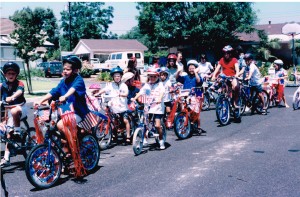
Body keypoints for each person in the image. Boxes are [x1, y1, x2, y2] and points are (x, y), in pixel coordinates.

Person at [35, 55, 94, 177]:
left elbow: (72, 90)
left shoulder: (78, 80)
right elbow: (53, 91)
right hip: (66, 111)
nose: (64, 71)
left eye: (68, 69)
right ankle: (65, 151)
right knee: (53, 127)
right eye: (64, 69)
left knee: (62, 125)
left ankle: (74, 154)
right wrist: (40, 100)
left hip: (79, 112)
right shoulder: (63, 81)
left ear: (75, 70)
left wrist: (65, 96)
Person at [131, 67, 166, 150]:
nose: (152, 78)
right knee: (145, 123)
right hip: (148, 107)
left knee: (157, 125)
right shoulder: (147, 85)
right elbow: (141, 92)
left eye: (154, 76)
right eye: (151, 76)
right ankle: (145, 138)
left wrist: (159, 99)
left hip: (157, 107)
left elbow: (162, 92)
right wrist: (135, 98)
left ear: (157, 77)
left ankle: (161, 140)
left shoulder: (160, 84)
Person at [95, 66, 131, 143]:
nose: (117, 77)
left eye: (118, 76)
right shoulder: (111, 85)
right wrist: (98, 93)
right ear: (113, 77)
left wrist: (122, 94)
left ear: (121, 76)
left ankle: (128, 135)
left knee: (125, 120)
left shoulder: (123, 85)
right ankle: (114, 135)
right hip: (114, 107)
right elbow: (104, 89)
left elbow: (126, 93)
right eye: (115, 76)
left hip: (122, 107)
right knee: (113, 121)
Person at [0, 62, 27, 167]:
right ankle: (12, 145)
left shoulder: (20, 83)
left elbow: (19, 92)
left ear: (16, 74)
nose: (11, 75)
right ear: (5, 75)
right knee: (4, 132)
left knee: (10, 132)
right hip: (7, 111)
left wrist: (12, 97)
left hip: (20, 108)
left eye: (13, 73)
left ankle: (6, 158)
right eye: (8, 73)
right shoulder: (2, 86)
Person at [176, 60, 203, 133]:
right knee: (183, 109)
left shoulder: (198, 75)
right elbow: (177, 78)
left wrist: (196, 72)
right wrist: (178, 71)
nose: (191, 69)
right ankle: (184, 123)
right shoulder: (185, 77)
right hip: (186, 95)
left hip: (197, 93)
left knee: (196, 111)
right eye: (190, 68)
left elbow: (198, 81)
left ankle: (199, 127)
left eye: (193, 68)